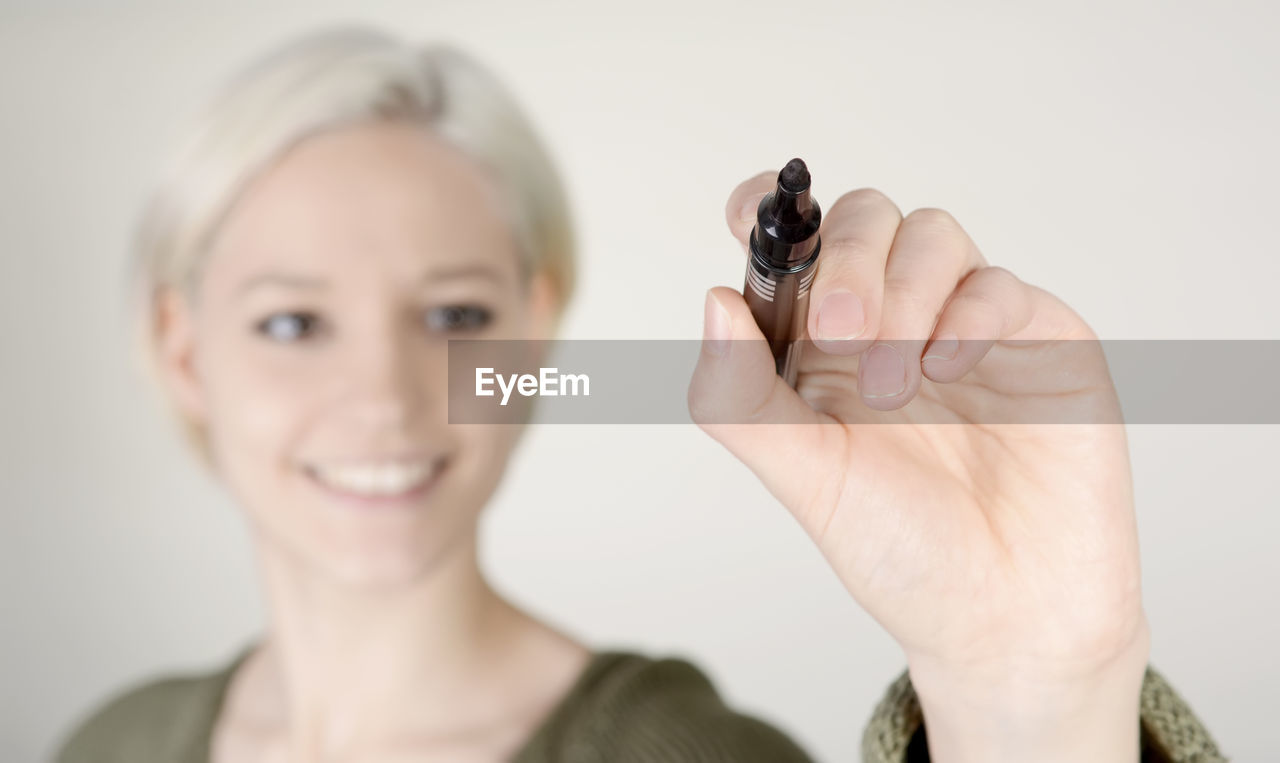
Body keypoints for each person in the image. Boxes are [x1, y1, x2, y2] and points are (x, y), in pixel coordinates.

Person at [55, 25, 1225, 763]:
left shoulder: (684, 753)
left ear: (537, 320)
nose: (384, 397)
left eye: (457, 317)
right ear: (183, 350)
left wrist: (1031, 692)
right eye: (291, 322)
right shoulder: (110, 744)